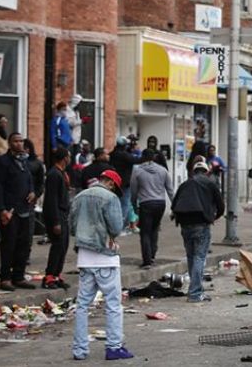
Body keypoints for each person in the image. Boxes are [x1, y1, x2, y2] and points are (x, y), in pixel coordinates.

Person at [70, 170, 133, 361]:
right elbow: (115, 227)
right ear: (112, 183)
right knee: (113, 304)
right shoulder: (110, 198)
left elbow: (72, 226)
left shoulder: (80, 196)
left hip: (84, 258)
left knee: (82, 305)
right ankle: (113, 347)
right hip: (105, 257)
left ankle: (80, 350)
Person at [171, 161, 224, 303]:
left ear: (194, 172)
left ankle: (195, 290)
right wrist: (214, 217)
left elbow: (174, 204)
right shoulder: (210, 183)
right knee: (199, 257)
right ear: (206, 171)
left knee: (191, 257)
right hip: (201, 223)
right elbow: (221, 206)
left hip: (185, 224)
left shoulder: (185, 184)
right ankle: (195, 293)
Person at [0, 133, 36, 291]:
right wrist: (2, 210)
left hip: (25, 209)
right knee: (8, 244)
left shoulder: (24, 161)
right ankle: (5, 277)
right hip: (10, 210)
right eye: (16, 141)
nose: (19, 144)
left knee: (24, 244)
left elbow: (29, 180)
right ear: (10, 143)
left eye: (21, 141)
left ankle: (18, 276)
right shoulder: (3, 162)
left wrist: (33, 192)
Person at [130, 149, 174, 269]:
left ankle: (147, 261)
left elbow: (133, 190)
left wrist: (134, 206)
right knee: (154, 230)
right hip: (160, 204)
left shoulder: (137, 171)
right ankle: (152, 255)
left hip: (145, 204)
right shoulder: (163, 170)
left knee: (145, 232)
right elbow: (170, 190)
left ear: (143, 157)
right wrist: (174, 206)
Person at [42, 148, 72, 289]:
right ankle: (49, 276)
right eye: (68, 156)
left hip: (64, 214)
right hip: (57, 215)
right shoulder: (54, 175)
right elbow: (51, 199)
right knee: (57, 246)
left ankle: (57, 274)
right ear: (64, 158)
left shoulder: (61, 173)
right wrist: (55, 222)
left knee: (64, 246)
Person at [110, 136, 141, 231]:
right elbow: (136, 160)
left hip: (114, 183)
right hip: (124, 184)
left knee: (116, 205)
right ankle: (120, 228)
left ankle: (115, 226)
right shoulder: (124, 155)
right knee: (125, 205)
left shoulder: (113, 154)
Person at [23, 139, 45, 259]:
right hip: (14, 201)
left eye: (26, 148)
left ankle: (25, 256)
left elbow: (41, 183)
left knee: (28, 230)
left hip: (29, 202)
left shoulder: (36, 164)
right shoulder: (13, 162)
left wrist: (36, 195)